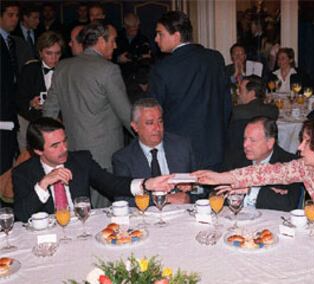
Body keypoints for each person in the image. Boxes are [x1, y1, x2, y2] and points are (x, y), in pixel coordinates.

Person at [12, 117, 174, 222]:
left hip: (83, 230)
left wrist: (146, 184)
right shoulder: (23, 173)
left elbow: (111, 183)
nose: (64, 149)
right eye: (55, 145)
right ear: (38, 150)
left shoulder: (80, 161)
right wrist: (43, 184)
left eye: (64, 141)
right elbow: (21, 215)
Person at [43, 23, 131, 208]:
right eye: (113, 41)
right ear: (100, 41)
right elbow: (126, 114)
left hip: (69, 152)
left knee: (78, 206)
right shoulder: (108, 69)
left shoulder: (62, 67)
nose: (115, 46)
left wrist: (49, 150)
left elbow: (49, 113)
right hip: (103, 154)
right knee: (102, 211)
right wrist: (145, 137)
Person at [148, 11, 231, 171]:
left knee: (182, 195)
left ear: (176, 36)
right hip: (214, 146)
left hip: (179, 151)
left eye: (160, 34)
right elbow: (226, 104)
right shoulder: (215, 58)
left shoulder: (162, 69)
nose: (156, 39)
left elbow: (153, 113)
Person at [112, 98, 197, 206]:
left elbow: (201, 189)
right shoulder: (123, 158)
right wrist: (166, 199)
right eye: (150, 123)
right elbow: (122, 200)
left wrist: (189, 195)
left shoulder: (182, 146)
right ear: (135, 126)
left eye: (160, 121)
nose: (157, 128)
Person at [226, 116, 301, 211]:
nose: (245, 145)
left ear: (270, 143)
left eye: (252, 140)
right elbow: (218, 194)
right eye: (245, 139)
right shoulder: (235, 158)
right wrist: (268, 194)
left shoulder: (290, 162)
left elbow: (289, 204)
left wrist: (250, 191)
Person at [16, 31, 65, 150]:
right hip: (32, 121)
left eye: (57, 53)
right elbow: (18, 98)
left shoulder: (66, 70)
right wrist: (30, 103)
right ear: (40, 53)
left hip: (60, 123)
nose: (54, 58)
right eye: (49, 53)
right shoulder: (30, 70)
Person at [0, 2, 32, 175]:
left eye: (16, 15)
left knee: (9, 157)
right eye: (10, 15)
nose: (14, 20)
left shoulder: (12, 41)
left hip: (12, 107)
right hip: (3, 109)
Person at [224, 75, 278, 166]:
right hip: (266, 157)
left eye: (241, 90)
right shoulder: (273, 110)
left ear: (252, 93)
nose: (237, 93)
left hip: (236, 158)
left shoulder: (237, 111)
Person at [114, 13, 151, 79]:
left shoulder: (143, 39)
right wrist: (118, 59)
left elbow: (148, 58)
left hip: (137, 76)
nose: (134, 32)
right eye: (131, 29)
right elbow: (107, 56)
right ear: (125, 26)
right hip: (119, 74)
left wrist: (141, 57)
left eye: (136, 29)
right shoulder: (116, 38)